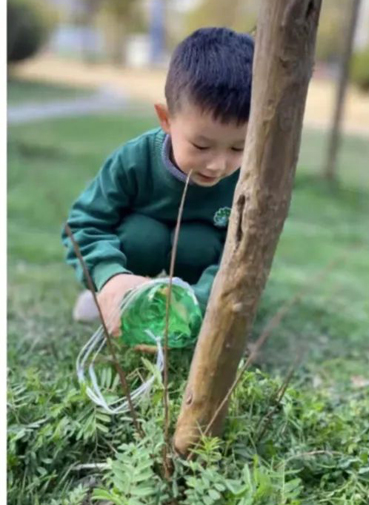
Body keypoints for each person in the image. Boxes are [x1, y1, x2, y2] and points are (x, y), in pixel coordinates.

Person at [62, 27, 253, 335]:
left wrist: (200, 302)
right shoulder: (134, 160)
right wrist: (109, 275)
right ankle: (113, 296)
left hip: (198, 275)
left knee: (196, 243)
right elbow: (83, 225)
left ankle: (184, 305)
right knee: (143, 234)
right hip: (133, 255)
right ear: (166, 119)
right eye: (201, 146)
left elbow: (244, 256)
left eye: (238, 147)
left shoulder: (250, 180)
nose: (218, 165)